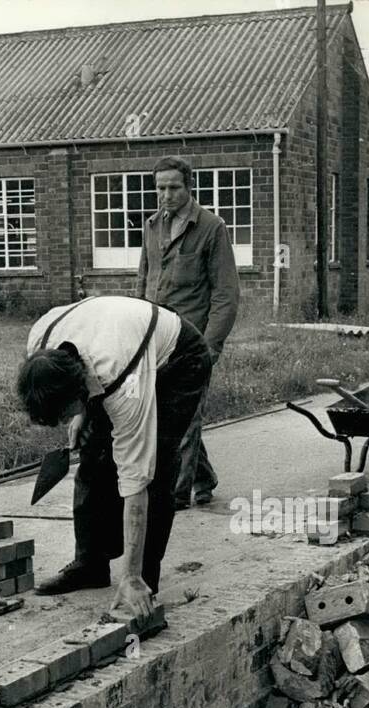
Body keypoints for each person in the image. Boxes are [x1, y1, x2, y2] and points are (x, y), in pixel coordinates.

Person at [17, 295, 213, 615]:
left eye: (67, 412)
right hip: (114, 344)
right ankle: (90, 565)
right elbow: (76, 376)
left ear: (80, 388)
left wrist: (132, 574)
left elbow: (135, 480)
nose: (66, 420)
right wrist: (81, 414)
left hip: (179, 359)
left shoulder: (121, 378)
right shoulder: (41, 339)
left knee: (155, 468)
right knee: (94, 455)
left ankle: (140, 580)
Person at [137, 155, 240, 509]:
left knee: (184, 413)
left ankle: (174, 495)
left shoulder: (211, 227)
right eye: (160, 188)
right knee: (170, 411)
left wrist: (211, 346)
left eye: (174, 187)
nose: (166, 195)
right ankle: (203, 476)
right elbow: (144, 281)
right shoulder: (151, 226)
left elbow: (226, 293)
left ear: (188, 187)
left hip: (192, 342)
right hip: (156, 339)